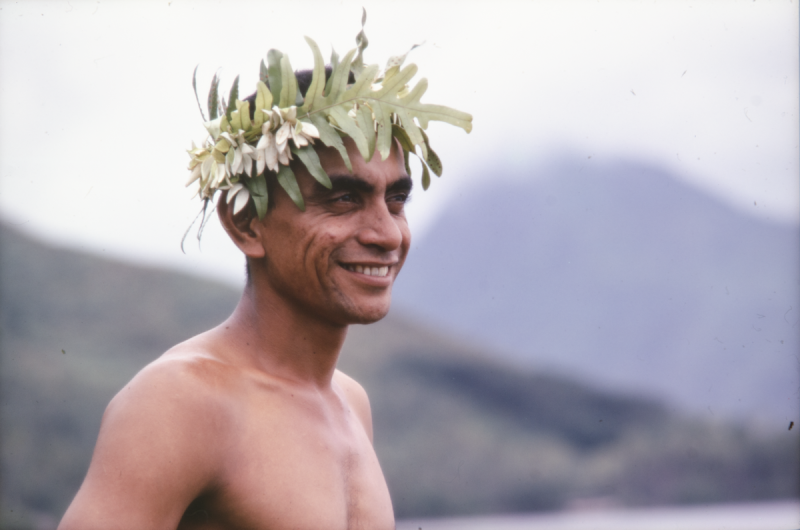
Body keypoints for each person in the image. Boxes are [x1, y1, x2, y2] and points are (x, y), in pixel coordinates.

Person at [59, 16, 470, 530]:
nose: (387, 234)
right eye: (344, 199)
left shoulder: (350, 402)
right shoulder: (180, 403)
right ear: (247, 224)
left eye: (396, 199)